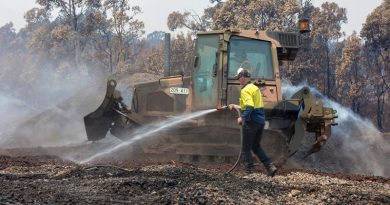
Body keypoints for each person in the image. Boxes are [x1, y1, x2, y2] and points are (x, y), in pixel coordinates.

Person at [228, 68, 277, 177]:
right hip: (260, 122)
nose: (238, 80)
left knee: (246, 148)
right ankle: (270, 166)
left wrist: (243, 118)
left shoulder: (245, 90)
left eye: (238, 78)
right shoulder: (254, 88)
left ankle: (250, 172)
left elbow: (249, 107)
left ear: (242, 77)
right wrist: (235, 106)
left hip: (251, 123)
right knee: (255, 146)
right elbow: (250, 106)